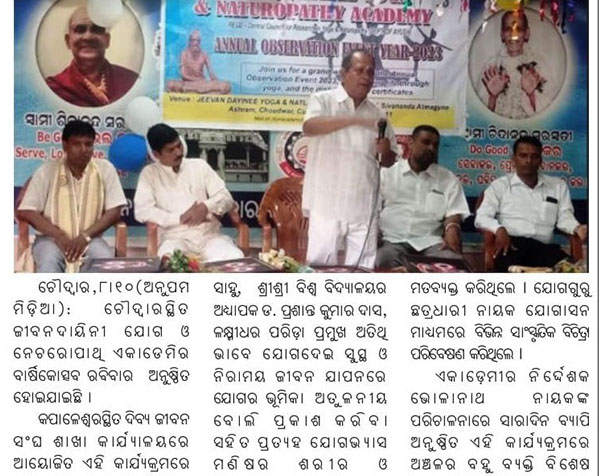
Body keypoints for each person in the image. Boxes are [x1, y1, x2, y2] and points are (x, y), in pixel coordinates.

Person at [301, 49, 399, 269]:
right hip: (326, 203)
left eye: (371, 72)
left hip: (363, 205)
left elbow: (389, 160)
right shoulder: (323, 100)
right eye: (359, 70)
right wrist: (352, 120)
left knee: (362, 270)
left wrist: (385, 151)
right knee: (321, 268)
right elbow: (309, 127)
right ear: (343, 74)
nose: (366, 76)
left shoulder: (378, 115)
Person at [17, 120, 127, 272]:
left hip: (91, 239)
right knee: (49, 260)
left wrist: (85, 237)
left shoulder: (105, 169)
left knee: (103, 258)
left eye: (88, 144)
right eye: (77, 144)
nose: (83, 150)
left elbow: (114, 211)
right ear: (65, 145)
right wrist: (59, 235)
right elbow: (27, 211)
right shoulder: (47, 171)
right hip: (50, 239)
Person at [475, 136, 587, 271]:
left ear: (541, 160)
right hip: (511, 247)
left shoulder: (558, 186)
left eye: (534, 156)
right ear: (513, 159)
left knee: (571, 271)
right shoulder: (499, 186)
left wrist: (576, 228)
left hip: (544, 249)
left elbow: (565, 217)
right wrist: (499, 229)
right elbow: (481, 217)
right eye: (523, 155)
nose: (528, 161)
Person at [134, 123, 243, 261]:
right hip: (174, 239)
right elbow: (143, 211)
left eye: (179, 145)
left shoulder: (199, 165)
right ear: (156, 154)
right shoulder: (150, 174)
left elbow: (226, 197)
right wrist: (179, 218)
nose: (178, 152)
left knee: (234, 258)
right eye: (171, 150)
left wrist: (205, 206)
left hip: (209, 237)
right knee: (171, 262)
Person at [376, 125, 470, 269]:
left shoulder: (448, 179)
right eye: (426, 142)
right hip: (393, 240)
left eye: (435, 145)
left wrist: (452, 227)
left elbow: (454, 212)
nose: (431, 148)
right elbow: (372, 210)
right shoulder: (388, 175)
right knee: (382, 259)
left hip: (431, 242)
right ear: (411, 143)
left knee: (452, 262)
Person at [46, 7, 138, 107]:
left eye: (97, 29)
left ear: (107, 40)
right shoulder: (53, 88)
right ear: (68, 41)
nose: (88, 37)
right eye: (80, 30)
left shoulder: (131, 80)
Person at [476, 10, 552, 119]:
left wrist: (531, 94)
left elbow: (550, 114)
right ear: (502, 34)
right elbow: (479, 117)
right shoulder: (491, 67)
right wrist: (493, 97)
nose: (513, 35)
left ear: (527, 33)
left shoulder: (539, 67)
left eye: (519, 29)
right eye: (508, 29)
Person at [166, 30, 231, 94]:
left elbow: (212, 74)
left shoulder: (204, 54)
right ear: (190, 41)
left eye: (198, 40)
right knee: (171, 84)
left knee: (225, 85)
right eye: (194, 40)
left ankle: (198, 89)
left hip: (202, 83)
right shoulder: (184, 54)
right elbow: (183, 74)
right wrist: (198, 80)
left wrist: (215, 81)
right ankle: (199, 90)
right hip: (188, 83)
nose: (196, 42)